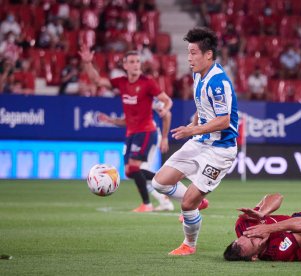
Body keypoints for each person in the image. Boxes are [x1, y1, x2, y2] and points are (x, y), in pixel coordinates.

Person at [151, 27, 238, 256]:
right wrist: (194, 126)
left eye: (193, 53)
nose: (189, 58)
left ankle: (189, 245)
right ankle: (200, 202)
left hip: (220, 151)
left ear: (208, 54)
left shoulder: (219, 82)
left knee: (187, 204)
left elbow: (224, 120)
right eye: (188, 53)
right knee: (159, 183)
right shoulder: (198, 75)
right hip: (200, 142)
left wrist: (194, 130)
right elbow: (202, 108)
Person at [78, 45, 173, 212]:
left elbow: (167, 100)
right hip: (131, 132)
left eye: (138, 61)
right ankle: (167, 184)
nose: (136, 64)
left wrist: (165, 110)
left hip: (146, 131)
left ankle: (148, 203)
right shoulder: (121, 83)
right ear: (125, 65)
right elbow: (97, 81)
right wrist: (88, 63)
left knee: (135, 167)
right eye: (132, 62)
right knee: (129, 171)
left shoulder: (148, 83)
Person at [98, 99, 174, 211]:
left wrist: (164, 137)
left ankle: (166, 186)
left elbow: (167, 114)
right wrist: (110, 120)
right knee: (131, 172)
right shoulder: (129, 97)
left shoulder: (147, 96)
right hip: (135, 136)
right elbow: (128, 121)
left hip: (148, 135)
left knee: (137, 170)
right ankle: (164, 198)